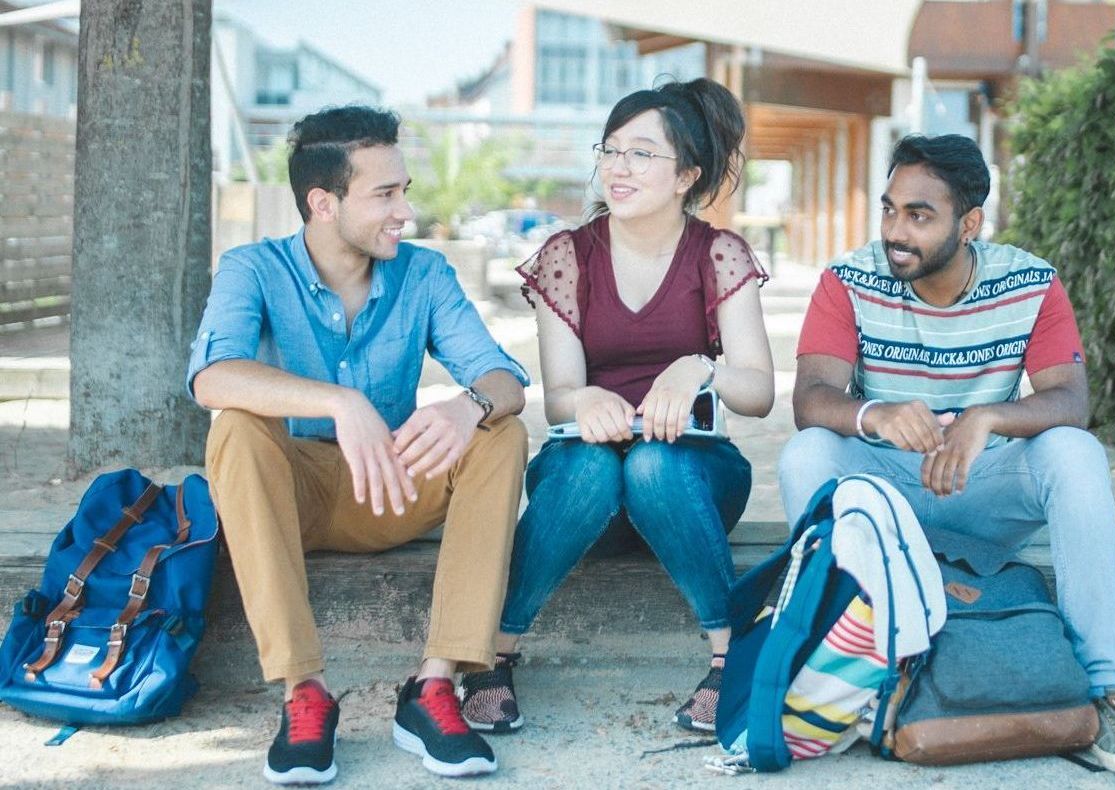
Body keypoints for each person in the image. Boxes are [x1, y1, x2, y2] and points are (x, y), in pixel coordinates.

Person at [778, 134, 1115, 775]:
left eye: (919, 215)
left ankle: (1107, 695)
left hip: (982, 485)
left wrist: (986, 417)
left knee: (1075, 452)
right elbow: (812, 398)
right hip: (887, 493)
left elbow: (1070, 401)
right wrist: (874, 414)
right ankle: (840, 677)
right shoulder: (848, 279)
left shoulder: (1031, 281)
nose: (895, 231)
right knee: (807, 454)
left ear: (971, 224)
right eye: (889, 209)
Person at [187, 105, 530, 783]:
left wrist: (471, 403)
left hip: (396, 484)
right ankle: (303, 692)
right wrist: (338, 401)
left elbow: (505, 378)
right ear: (323, 202)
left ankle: (434, 687)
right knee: (236, 428)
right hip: (297, 493)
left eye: (403, 189)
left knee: (503, 431)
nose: (404, 210)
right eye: (385, 194)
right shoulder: (252, 268)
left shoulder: (424, 274)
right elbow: (213, 376)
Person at [458, 78, 775, 735]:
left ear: (687, 174)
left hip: (691, 482)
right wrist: (588, 397)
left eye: (641, 154)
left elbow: (759, 390)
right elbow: (557, 400)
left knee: (654, 465)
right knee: (597, 469)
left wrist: (701, 367)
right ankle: (493, 656)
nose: (617, 168)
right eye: (611, 150)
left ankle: (729, 659)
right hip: (586, 490)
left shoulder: (718, 255)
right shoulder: (566, 258)